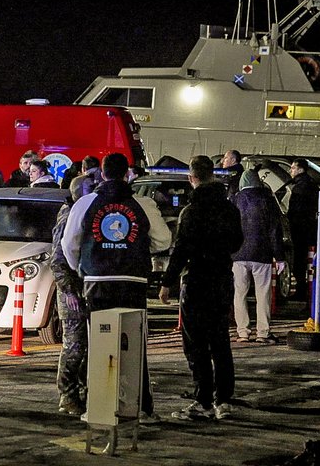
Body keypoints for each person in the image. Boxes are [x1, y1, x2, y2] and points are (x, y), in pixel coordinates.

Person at [61, 152, 172, 422]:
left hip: (97, 282)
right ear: (127, 174)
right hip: (132, 281)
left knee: (99, 344)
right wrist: (139, 249)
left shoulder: (85, 203)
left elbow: (69, 244)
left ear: (102, 173)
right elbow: (164, 240)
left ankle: (99, 406)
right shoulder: (142, 203)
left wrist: (82, 267)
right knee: (134, 345)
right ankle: (140, 407)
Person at [158, 155, 243, 421]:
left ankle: (203, 399)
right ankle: (224, 399)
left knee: (196, 343)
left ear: (191, 178)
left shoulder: (191, 211)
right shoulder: (229, 209)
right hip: (222, 278)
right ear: (212, 175)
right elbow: (237, 242)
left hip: (197, 280)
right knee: (220, 340)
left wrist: (167, 282)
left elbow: (181, 249)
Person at [231, 168, 286, 344]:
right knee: (263, 294)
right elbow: (275, 231)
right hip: (262, 254)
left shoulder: (234, 200)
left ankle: (243, 332)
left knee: (239, 293)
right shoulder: (267, 200)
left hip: (238, 254)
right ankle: (263, 332)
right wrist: (280, 257)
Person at [49, 177, 88, 415]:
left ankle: (80, 393)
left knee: (83, 346)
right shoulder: (69, 216)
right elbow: (57, 259)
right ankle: (67, 395)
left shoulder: (77, 212)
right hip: (71, 293)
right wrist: (69, 290)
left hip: (79, 289)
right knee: (74, 346)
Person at [287, 158, 319, 302]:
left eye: (293, 168)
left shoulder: (300, 187)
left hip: (300, 228)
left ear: (301, 170)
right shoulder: (312, 184)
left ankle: (301, 290)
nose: (290, 170)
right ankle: (308, 289)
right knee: (308, 260)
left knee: (299, 260)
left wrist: (290, 220)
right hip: (310, 227)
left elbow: (296, 210)